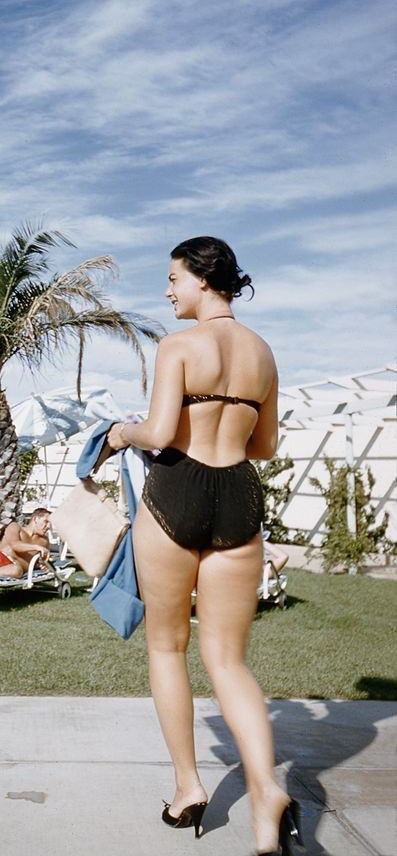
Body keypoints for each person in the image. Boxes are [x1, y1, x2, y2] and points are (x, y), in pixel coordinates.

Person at [107, 236, 301, 856]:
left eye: (172, 278)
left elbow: (161, 432)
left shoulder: (179, 346)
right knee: (229, 661)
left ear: (201, 279)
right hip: (238, 497)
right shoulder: (263, 353)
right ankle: (266, 790)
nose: (167, 291)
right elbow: (264, 447)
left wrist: (118, 434)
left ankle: (188, 789)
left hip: (176, 491)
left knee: (168, 649)